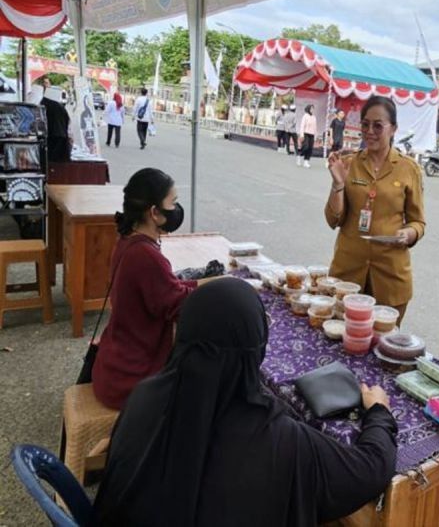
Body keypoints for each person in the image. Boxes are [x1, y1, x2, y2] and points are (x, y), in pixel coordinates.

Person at [94, 278, 397, 527]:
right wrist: (379, 411)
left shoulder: (145, 396)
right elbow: (370, 470)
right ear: (254, 351)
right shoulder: (280, 440)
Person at [92, 168, 196, 410]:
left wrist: (205, 284)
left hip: (114, 369)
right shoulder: (145, 255)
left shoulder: (128, 241)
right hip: (131, 382)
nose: (176, 211)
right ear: (154, 213)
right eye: (174, 203)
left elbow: (167, 290)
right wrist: (219, 294)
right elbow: (180, 306)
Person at [325, 96, 425, 322]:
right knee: (343, 341)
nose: (370, 131)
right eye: (365, 124)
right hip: (348, 274)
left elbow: (418, 222)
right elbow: (333, 219)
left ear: (393, 129)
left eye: (378, 125)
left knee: (383, 347)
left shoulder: (409, 169)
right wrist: (338, 184)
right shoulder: (348, 163)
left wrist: (408, 234)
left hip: (390, 276)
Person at [40, 78, 71, 162]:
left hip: (53, 139)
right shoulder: (58, 106)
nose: (45, 85)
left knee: (51, 161)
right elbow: (67, 120)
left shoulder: (44, 104)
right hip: (60, 139)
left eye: (46, 83)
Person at [298, 104, 317, 168]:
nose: (312, 110)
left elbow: (315, 127)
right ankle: (299, 155)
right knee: (306, 146)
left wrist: (315, 136)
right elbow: (302, 126)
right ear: (308, 109)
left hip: (312, 134)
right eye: (311, 108)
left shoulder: (314, 117)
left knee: (310, 148)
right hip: (306, 133)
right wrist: (302, 135)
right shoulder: (305, 116)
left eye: (313, 109)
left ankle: (306, 161)